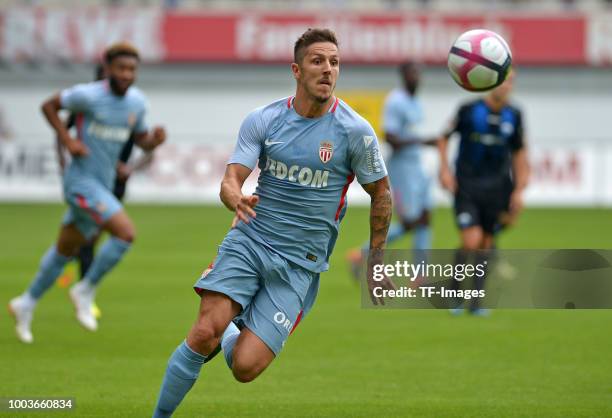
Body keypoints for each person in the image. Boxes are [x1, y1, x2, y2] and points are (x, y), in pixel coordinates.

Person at [152, 28, 394, 417]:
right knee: (202, 333)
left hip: (300, 264)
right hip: (250, 241)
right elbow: (231, 180)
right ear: (296, 70)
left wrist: (376, 260)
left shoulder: (354, 132)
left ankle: (234, 322)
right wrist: (234, 197)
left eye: (334, 62)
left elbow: (381, 193)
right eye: (318, 61)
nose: (327, 69)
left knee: (245, 368)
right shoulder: (264, 120)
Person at [8, 42, 166, 343]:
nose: (126, 74)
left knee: (64, 250)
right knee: (125, 234)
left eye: (132, 69)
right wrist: (68, 141)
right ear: (107, 69)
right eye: (121, 68)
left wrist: (155, 141)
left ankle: (25, 303)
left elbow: (142, 140)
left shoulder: (136, 103)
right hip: (80, 183)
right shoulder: (88, 95)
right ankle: (85, 289)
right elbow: (48, 106)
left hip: (103, 184)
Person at [56, 64, 155, 318]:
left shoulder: (131, 108)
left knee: (89, 234)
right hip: (88, 179)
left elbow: (149, 149)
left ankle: (71, 268)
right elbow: (61, 130)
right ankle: (85, 294)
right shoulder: (88, 105)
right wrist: (65, 159)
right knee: (98, 235)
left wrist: (130, 167)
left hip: (114, 183)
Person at [437, 71, 529, 315]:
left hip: (498, 189)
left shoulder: (515, 115)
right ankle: (455, 293)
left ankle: (475, 302)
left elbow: (520, 154)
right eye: (501, 80)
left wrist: (519, 190)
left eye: (510, 81)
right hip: (467, 186)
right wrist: (444, 170)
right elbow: (443, 139)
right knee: (471, 240)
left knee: (486, 244)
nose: (505, 86)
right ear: (490, 83)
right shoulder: (468, 110)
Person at [347, 62, 437, 277]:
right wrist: (424, 142)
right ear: (403, 76)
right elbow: (390, 136)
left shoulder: (416, 103)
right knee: (409, 222)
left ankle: (420, 276)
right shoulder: (395, 101)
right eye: (412, 73)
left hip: (418, 167)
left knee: (425, 218)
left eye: (418, 73)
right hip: (402, 168)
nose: (416, 77)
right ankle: (362, 253)